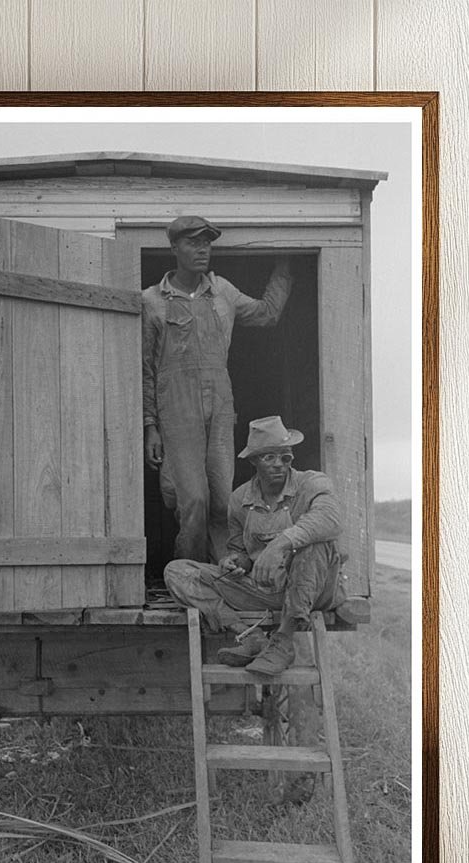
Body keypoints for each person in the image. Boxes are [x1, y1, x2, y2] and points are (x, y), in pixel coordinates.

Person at [142, 215, 292, 564]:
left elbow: (267, 314)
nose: (202, 249)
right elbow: (146, 370)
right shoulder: (152, 301)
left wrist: (285, 265)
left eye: (206, 242)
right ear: (174, 248)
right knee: (193, 499)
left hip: (221, 405)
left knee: (224, 500)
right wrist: (150, 426)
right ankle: (189, 575)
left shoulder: (223, 291)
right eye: (193, 242)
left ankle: (224, 576)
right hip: (176, 410)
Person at [163, 416, 345, 676]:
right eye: (269, 458)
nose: (279, 465)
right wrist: (235, 562)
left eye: (285, 457)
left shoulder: (312, 483)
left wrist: (281, 544)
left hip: (313, 589)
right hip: (266, 590)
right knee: (178, 572)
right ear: (253, 461)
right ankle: (249, 636)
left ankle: (283, 641)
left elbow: (332, 519)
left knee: (314, 545)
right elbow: (240, 550)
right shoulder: (239, 499)